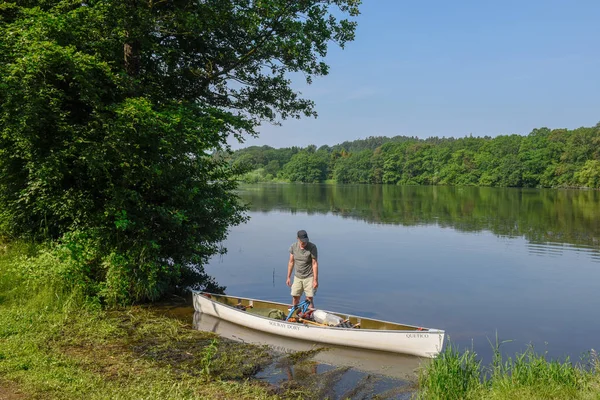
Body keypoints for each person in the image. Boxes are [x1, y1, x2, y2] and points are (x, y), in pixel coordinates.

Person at [286, 230, 318, 309]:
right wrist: (288, 277)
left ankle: (309, 316)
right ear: (298, 239)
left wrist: (315, 280)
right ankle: (295, 314)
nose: (304, 243)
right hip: (298, 276)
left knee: (309, 299)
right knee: (295, 296)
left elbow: (314, 264)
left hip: (309, 276)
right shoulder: (293, 247)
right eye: (302, 241)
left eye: (306, 241)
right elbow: (291, 262)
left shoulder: (312, 247)